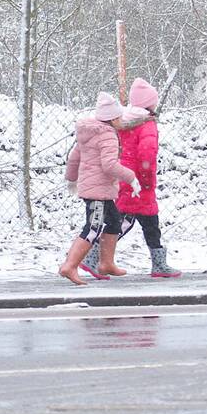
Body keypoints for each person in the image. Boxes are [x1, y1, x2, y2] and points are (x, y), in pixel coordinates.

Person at [81, 77, 181, 278]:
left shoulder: (124, 120)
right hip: (139, 182)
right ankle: (93, 257)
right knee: (129, 224)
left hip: (125, 177)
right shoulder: (147, 124)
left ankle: (99, 259)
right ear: (149, 104)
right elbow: (146, 153)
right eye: (154, 100)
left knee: (134, 222)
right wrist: (145, 179)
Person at [59, 92, 142, 285]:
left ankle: (106, 263)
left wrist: (71, 179)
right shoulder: (107, 135)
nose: (122, 120)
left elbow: (74, 157)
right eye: (120, 117)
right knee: (93, 228)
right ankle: (69, 265)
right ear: (112, 118)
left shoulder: (89, 133)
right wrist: (131, 178)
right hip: (98, 191)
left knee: (113, 221)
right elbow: (109, 165)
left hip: (99, 190)